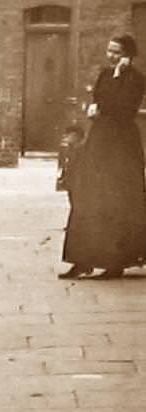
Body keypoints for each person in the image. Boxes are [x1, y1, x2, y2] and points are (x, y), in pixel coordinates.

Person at [61, 34, 146, 280]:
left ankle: (114, 261)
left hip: (121, 145)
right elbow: (100, 99)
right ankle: (82, 259)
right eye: (109, 50)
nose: (111, 56)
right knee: (87, 195)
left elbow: (122, 107)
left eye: (117, 52)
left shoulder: (135, 79)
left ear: (128, 55)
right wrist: (96, 107)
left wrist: (116, 82)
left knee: (116, 199)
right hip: (99, 141)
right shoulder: (105, 75)